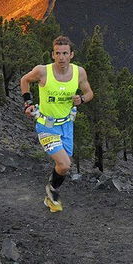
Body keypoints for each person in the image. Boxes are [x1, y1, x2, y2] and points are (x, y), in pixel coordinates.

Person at [19, 36, 94, 212]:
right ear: (52, 55)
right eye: (58, 53)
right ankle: (52, 192)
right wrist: (28, 103)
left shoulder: (79, 73)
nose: (61, 57)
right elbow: (25, 80)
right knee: (65, 164)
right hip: (46, 125)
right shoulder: (42, 71)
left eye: (65, 53)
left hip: (67, 125)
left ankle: (51, 191)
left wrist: (81, 99)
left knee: (64, 165)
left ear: (71, 55)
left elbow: (90, 93)